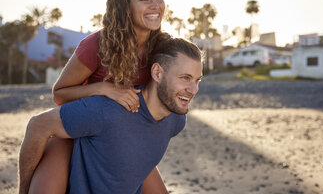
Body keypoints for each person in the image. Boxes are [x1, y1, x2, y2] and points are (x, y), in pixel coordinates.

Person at [26, 0, 172, 193]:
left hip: (124, 140)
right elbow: (59, 94)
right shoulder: (97, 45)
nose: (155, 5)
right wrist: (103, 88)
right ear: (125, 5)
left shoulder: (163, 49)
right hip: (76, 134)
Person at [19, 37, 203, 194]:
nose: (193, 90)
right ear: (157, 73)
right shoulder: (108, 110)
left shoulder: (176, 120)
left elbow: (134, 155)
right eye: (185, 78)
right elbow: (38, 124)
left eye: (197, 80)